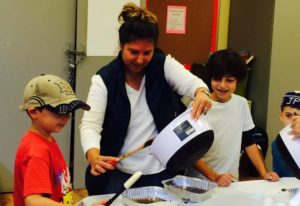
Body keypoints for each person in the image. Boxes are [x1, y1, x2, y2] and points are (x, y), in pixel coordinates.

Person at [80, 3, 212, 195]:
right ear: (121, 46)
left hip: (161, 169)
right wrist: (93, 154)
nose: (140, 60)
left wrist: (202, 93)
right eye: (133, 52)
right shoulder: (105, 79)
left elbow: (194, 84)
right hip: (119, 171)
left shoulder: (163, 65)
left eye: (147, 53)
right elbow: (90, 125)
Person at [187, 49, 279, 187]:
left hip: (230, 181)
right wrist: (215, 177)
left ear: (238, 81)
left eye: (229, 80)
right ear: (210, 78)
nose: (222, 85)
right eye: (217, 79)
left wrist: (263, 173)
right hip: (199, 184)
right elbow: (189, 151)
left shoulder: (241, 104)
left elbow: (249, 143)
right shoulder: (197, 105)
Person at [13, 74, 93, 206]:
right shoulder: (37, 151)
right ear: (34, 112)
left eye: (69, 111)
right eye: (60, 111)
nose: (66, 117)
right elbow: (33, 201)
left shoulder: (47, 139)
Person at [272, 91, 300, 177]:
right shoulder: (276, 143)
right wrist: (274, 176)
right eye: (288, 115)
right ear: (281, 116)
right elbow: (279, 173)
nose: (294, 120)